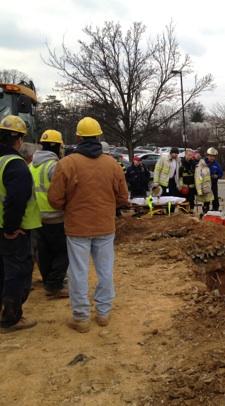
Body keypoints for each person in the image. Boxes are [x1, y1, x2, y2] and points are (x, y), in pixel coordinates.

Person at [48, 117, 129, 333]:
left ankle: (81, 317)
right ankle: (103, 313)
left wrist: (71, 205)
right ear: (99, 136)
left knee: (78, 272)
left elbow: (54, 199)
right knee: (105, 271)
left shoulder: (66, 164)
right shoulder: (112, 164)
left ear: (78, 137)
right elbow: (123, 197)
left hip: (77, 227)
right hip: (104, 226)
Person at [0, 115, 41, 334]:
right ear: (18, 139)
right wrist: (10, 228)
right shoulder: (15, 165)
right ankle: (11, 318)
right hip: (15, 231)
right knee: (18, 273)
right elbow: (16, 200)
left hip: (3, 228)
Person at [29, 129, 69, 299]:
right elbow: (63, 192)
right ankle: (54, 285)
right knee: (64, 253)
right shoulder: (54, 166)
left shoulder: (31, 166)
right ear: (57, 146)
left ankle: (49, 283)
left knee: (44, 254)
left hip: (37, 218)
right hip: (56, 217)